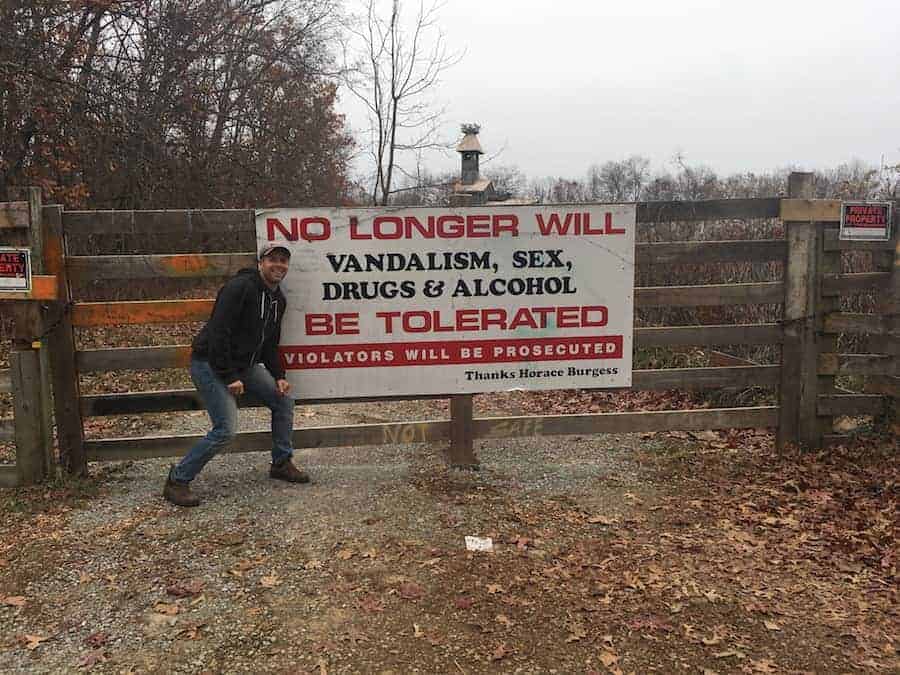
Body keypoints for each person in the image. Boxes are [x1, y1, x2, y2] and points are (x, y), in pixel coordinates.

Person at [163, 244, 309, 507]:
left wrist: (279, 374)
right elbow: (219, 332)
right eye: (272, 259)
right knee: (226, 429)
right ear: (260, 263)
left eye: (283, 261)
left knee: (284, 400)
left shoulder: (278, 300)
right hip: (209, 363)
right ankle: (178, 479)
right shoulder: (240, 288)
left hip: (244, 367)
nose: (279, 265)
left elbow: (269, 343)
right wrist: (229, 376)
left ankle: (281, 462)